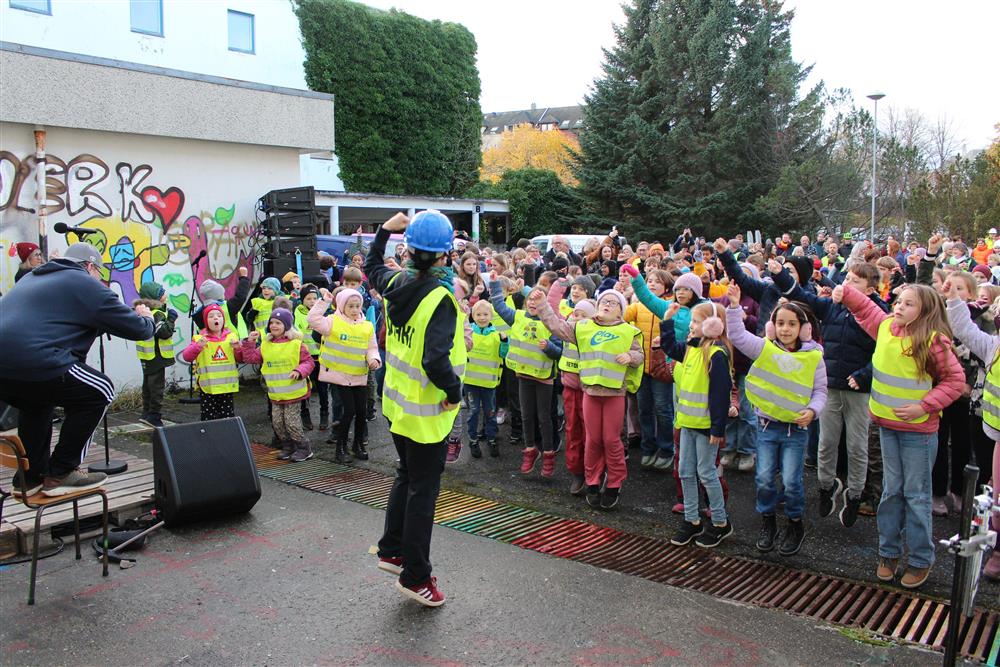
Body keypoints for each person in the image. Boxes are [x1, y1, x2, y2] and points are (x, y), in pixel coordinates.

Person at [834, 281, 963, 589]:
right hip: (887, 426)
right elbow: (867, 309)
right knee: (892, 493)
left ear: (925, 311)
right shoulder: (888, 328)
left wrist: (923, 405)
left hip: (918, 432)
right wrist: (847, 293)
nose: (899, 307)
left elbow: (955, 381)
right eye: (898, 301)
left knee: (916, 496)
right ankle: (888, 552)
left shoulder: (934, 341)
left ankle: (920, 559)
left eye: (908, 304)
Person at [367, 210, 466, 608]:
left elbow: (374, 266)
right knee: (423, 491)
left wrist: (381, 231)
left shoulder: (397, 282)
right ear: (444, 256)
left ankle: (392, 550)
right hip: (427, 411)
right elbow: (436, 360)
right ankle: (416, 576)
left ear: (409, 250)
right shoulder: (440, 297)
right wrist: (455, 393)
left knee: (406, 476)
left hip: (397, 403)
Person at [0, 242, 154, 497]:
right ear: (91, 267)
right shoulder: (85, 283)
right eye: (100, 273)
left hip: (5, 368)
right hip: (38, 359)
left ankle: (31, 477)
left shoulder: (31, 279)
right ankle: (62, 471)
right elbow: (139, 330)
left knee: (36, 403)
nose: (100, 279)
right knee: (100, 389)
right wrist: (146, 316)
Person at [726, 286, 827, 557]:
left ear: (804, 328)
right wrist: (734, 307)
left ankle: (795, 522)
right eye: (780, 323)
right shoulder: (766, 348)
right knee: (764, 479)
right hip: (767, 426)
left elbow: (820, 391)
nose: (785, 329)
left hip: (797, 429)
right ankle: (767, 521)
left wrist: (813, 411)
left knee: (793, 481)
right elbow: (737, 335)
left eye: (791, 324)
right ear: (772, 326)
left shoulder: (814, 356)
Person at [537, 287, 643, 509]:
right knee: (593, 439)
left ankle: (614, 483)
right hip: (590, 392)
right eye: (604, 301)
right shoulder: (584, 326)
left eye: (614, 303)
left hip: (614, 393)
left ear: (620, 310)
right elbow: (558, 327)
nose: (607, 305)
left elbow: (640, 356)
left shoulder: (628, 330)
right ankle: (592, 481)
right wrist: (543, 306)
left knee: (611, 440)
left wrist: (631, 356)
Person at [660, 300, 734, 547]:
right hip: (687, 422)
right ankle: (692, 520)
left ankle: (721, 522)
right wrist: (668, 321)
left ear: (713, 325)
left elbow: (720, 395)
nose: (691, 326)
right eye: (691, 321)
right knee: (684, 472)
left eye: (697, 321)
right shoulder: (691, 348)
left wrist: (717, 429)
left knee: (706, 473)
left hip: (705, 426)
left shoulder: (717, 354)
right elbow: (670, 347)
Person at [308, 287, 380, 463]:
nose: (355, 310)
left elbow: (371, 348)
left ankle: (357, 445)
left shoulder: (367, 326)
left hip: (359, 375)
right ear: (341, 306)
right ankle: (341, 447)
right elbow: (313, 319)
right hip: (339, 375)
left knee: (362, 412)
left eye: (357, 306)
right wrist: (324, 301)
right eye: (350, 306)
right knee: (348, 411)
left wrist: (374, 360)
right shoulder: (332, 322)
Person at [239, 308, 316, 462]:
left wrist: (299, 371)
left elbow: (308, 362)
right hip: (275, 392)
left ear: (287, 326)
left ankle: (303, 448)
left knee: (292, 422)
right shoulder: (266, 345)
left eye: (278, 323)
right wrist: (249, 342)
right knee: (278, 423)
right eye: (272, 322)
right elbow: (251, 358)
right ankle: (288, 446)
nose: (274, 326)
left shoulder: (296, 344)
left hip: (293, 392)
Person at [180, 303, 243, 420]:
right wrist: (198, 346)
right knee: (209, 419)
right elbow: (187, 356)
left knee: (227, 418)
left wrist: (238, 348)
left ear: (223, 320)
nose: (215, 318)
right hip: (208, 388)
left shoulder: (231, 337)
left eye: (219, 315)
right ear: (205, 321)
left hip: (227, 387)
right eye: (211, 316)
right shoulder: (199, 338)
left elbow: (240, 358)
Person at [133, 281, 178, 428]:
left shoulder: (143, 311)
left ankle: (146, 412)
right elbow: (164, 333)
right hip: (157, 355)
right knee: (156, 386)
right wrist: (171, 319)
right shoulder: (157, 313)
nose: (165, 294)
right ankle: (154, 415)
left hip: (147, 355)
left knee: (148, 384)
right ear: (155, 297)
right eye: (162, 292)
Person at [465, 300, 506, 459]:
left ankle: (491, 438)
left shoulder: (497, 335)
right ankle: (473, 440)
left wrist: (504, 342)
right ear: (472, 315)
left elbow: (503, 354)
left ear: (491, 316)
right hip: (471, 382)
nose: (482, 317)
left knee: (490, 412)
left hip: (489, 383)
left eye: (485, 314)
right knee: (473, 412)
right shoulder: (468, 333)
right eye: (478, 314)